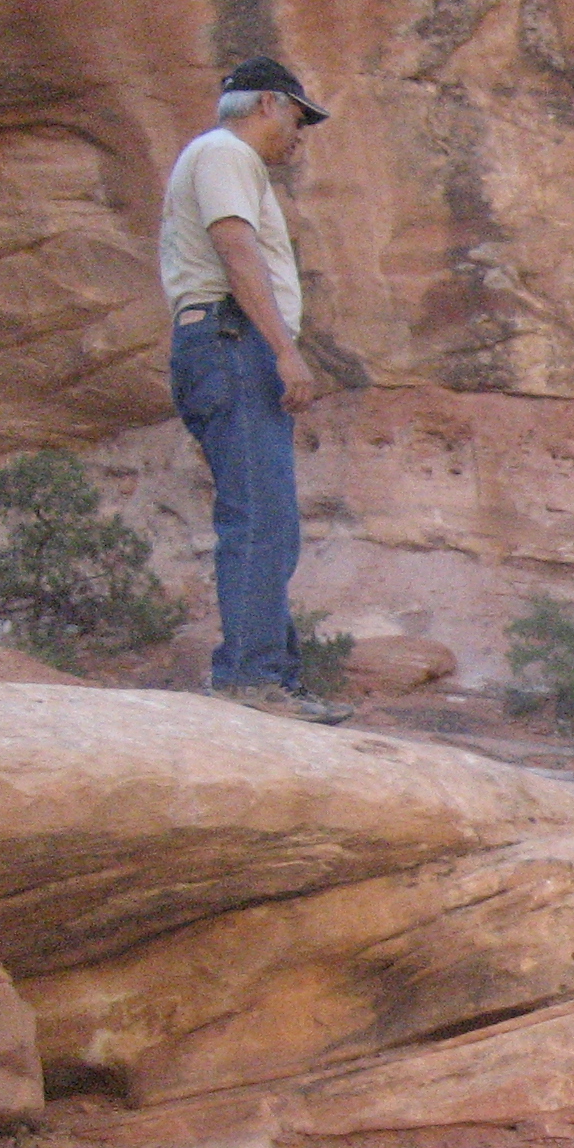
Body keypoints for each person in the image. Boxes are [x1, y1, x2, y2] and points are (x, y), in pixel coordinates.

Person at [159, 55, 349, 723]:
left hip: (223, 343)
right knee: (261, 517)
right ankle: (251, 680)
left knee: (265, 515)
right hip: (234, 343)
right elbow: (237, 251)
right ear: (268, 103)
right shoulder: (226, 153)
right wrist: (284, 351)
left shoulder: (221, 158)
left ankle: (271, 677)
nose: (300, 135)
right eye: (298, 117)